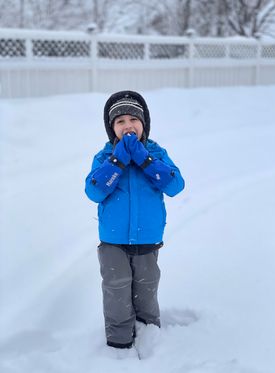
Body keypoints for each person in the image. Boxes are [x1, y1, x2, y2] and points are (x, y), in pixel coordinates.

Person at [85, 90, 185, 349]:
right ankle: (119, 345)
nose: (128, 125)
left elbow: (174, 185)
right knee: (116, 291)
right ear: (112, 128)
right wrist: (117, 162)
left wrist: (144, 159)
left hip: (147, 237)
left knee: (147, 289)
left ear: (144, 124)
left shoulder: (156, 153)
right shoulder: (105, 156)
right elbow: (94, 191)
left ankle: (150, 338)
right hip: (113, 240)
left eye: (133, 120)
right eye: (120, 121)